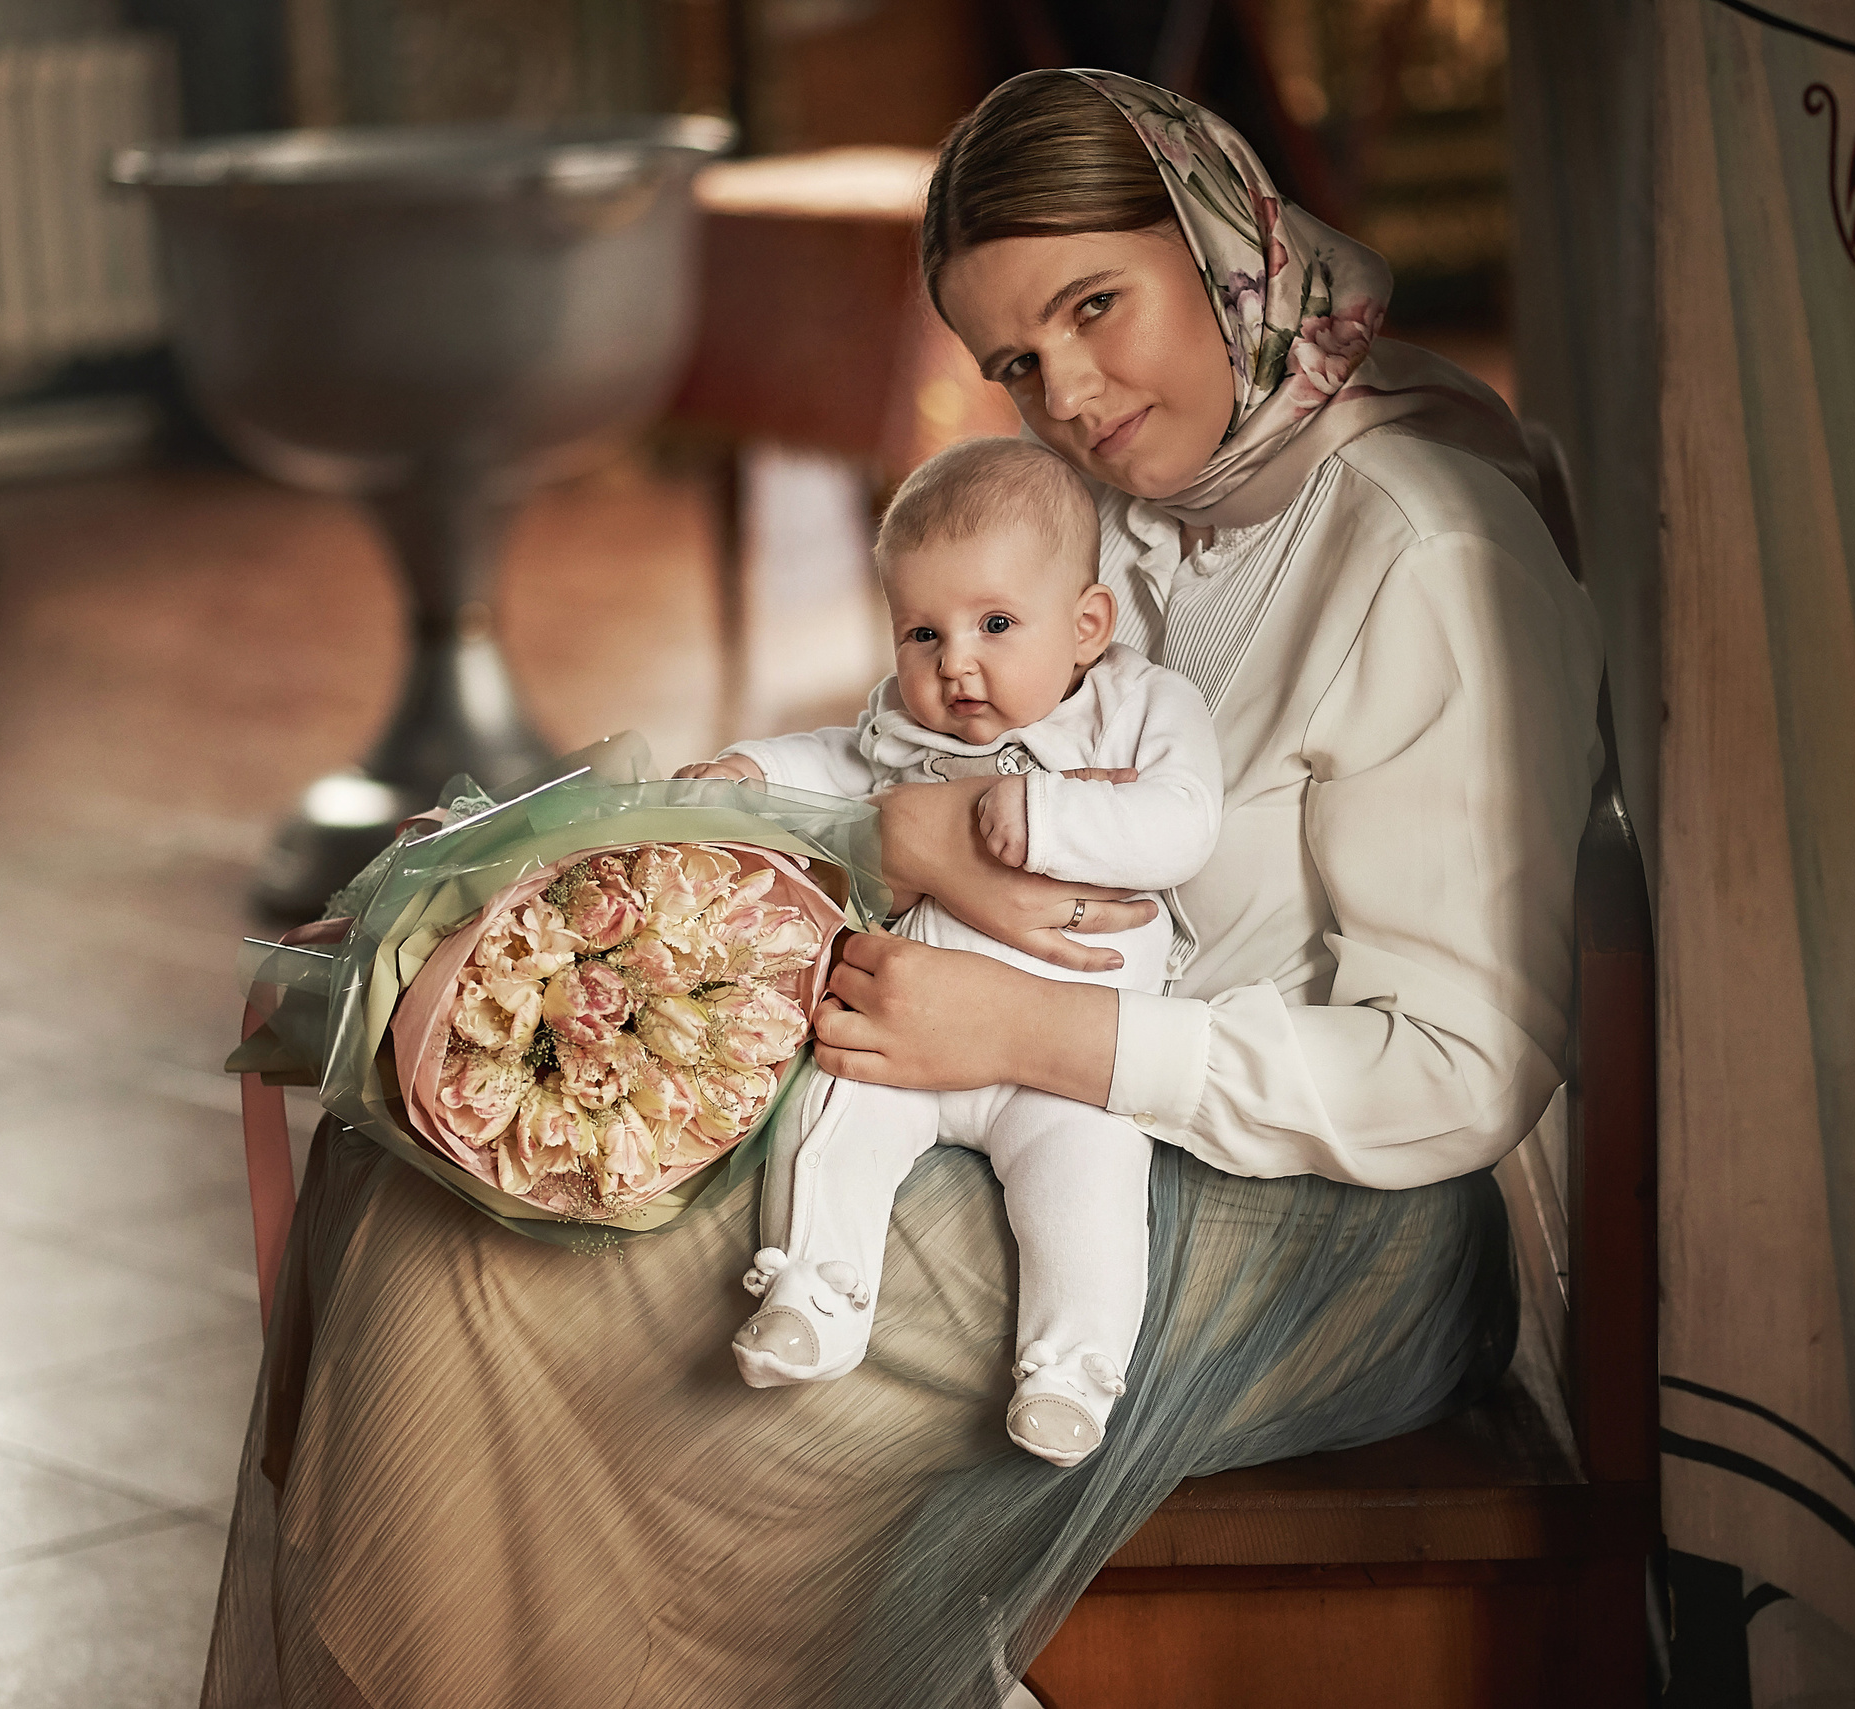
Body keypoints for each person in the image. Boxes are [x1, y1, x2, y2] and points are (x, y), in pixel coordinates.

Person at [202, 68, 1602, 1709]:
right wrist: (537, 877)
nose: (1067, 391)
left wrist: (1031, 1027)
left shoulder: (1424, 543)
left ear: (1229, 247)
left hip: (1315, 1220)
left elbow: (1461, 1070)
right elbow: (916, 775)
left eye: (1097, 306)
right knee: (454, 1155)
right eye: (1015, 357)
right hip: (1016, 1086)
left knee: (511, 1283)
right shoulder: (1131, 517)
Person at [676, 437, 1222, 1466]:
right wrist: (752, 769)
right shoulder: (900, 722)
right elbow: (837, 765)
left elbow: (1184, 824)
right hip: (907, 1038)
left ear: (1087, 624)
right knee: (827, 1118)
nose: (953, 663)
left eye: (995, 625)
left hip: (1063, 1060)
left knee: (1091, 1192)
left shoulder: (1143, 708)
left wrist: (1042, 815)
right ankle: (812, 1293)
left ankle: (1072, 1369)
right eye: (920, 632)